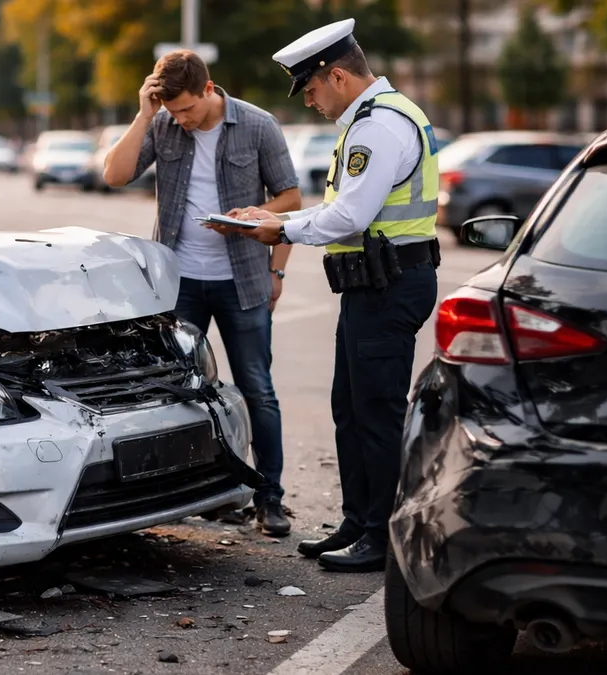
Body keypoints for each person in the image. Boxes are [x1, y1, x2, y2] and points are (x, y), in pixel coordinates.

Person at [216, 19, 441, 571]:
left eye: (311, 89)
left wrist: (279, 230)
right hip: (374, 287)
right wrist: (273, 217)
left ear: (337, 75)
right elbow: (341, 211)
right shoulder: (371, 120)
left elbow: (351, 216)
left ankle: (383, 537)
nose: (311, 101)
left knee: (376, 412)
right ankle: (358, 520)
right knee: (350, 408)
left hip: (388, 287)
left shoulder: (376, 127)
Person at [103, 49, 303, 536]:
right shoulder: (162, 123)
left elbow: (291, 200)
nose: (183, 120)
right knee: (183, 393)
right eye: (174, 112)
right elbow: (113, 175)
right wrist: (145, 114)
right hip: (180, 285)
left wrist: (272, 261)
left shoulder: (258, 126)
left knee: (257, 389)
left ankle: (269, 497)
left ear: (209, 90)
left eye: (188, 109)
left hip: (243, 281)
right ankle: (209, 494)